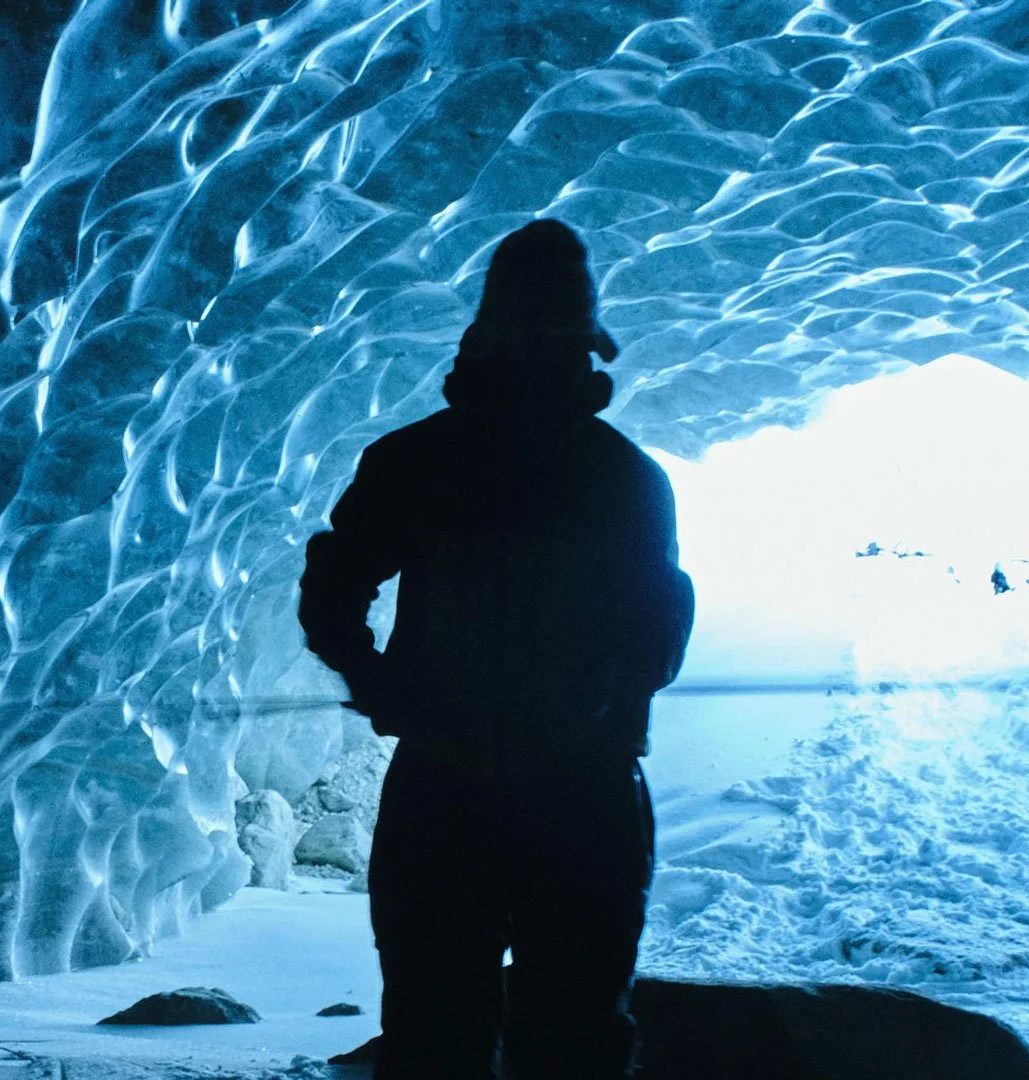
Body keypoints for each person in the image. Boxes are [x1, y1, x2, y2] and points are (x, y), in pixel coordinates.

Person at [298, 219, 695, 1079]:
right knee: (575, 1038)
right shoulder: (624, 475)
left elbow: (334, 583)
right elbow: (661, 632)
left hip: (447, 785)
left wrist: (375, 678)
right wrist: (600, 696)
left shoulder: (419, 460)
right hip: (583, 792)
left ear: (484, 338)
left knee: (435, 1030)